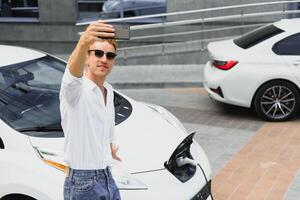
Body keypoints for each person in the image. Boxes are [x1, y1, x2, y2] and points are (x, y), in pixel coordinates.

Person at [60, 21, 121, 200]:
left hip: (107, 176)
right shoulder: (75, 90)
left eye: (110, 55)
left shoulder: (108, 91)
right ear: (87, 57)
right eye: (98, 53)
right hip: (83, 182)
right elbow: (71, 74)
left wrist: (109, 146)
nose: (104, 59)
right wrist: (83, 42)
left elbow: (105, 126)